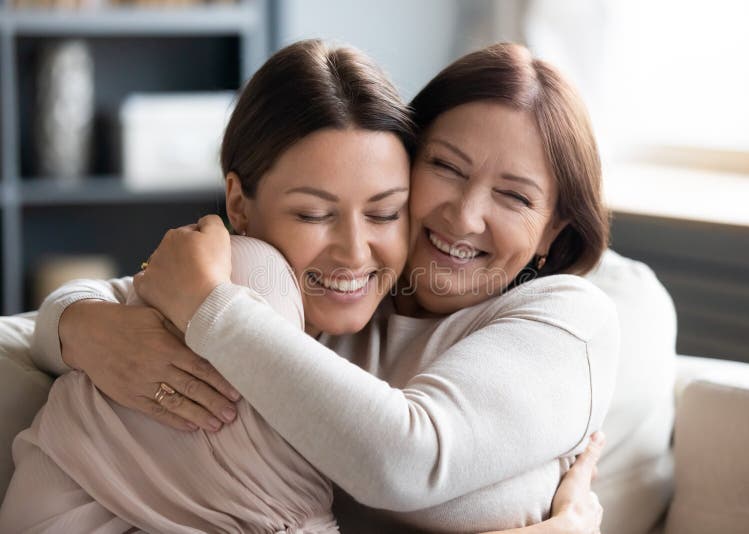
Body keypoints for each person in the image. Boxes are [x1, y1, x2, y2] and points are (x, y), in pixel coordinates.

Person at [0, 41, 608, 534]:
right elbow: (90, 309)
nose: (465, 214)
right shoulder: (324, 296)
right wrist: (81, 327)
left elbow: (404, 459)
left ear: (554, 228)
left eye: (515, 196)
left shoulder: (563, 321)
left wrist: (215, 310)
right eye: (447, 167)